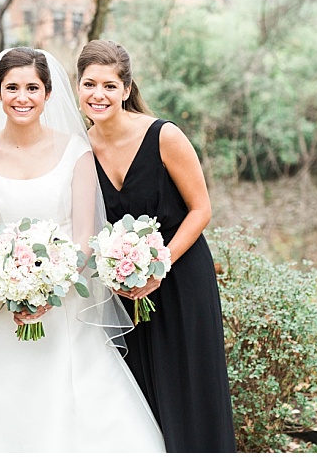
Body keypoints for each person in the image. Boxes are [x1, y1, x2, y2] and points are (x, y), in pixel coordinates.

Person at [0, 47, 164, 452]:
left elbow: (85, 234)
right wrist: (10, 287)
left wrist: (49, 288)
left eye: (32, 87)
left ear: (48, 94)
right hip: (2, 307)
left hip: (65, 305)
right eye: (12, 87)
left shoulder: (75, 151)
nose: (22, 97)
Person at [77, 40, 236, 452]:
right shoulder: (79, 151)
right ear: (77, 88)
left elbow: (201, 209)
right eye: (89, 84)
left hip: (181, 278)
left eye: (109, 85)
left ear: (126, 89)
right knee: (138, 394)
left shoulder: (164, 135)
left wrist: (159, 265)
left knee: (191, 386)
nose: (99, 94)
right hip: (124, 291)